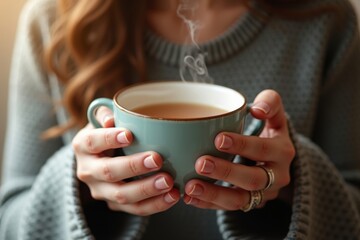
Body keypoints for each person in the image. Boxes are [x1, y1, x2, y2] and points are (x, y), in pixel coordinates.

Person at [1, 0, 359, 239]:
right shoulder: (56, 18)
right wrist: (80, 183)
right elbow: (9, 218)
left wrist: (294, 180)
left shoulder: (326, 19)